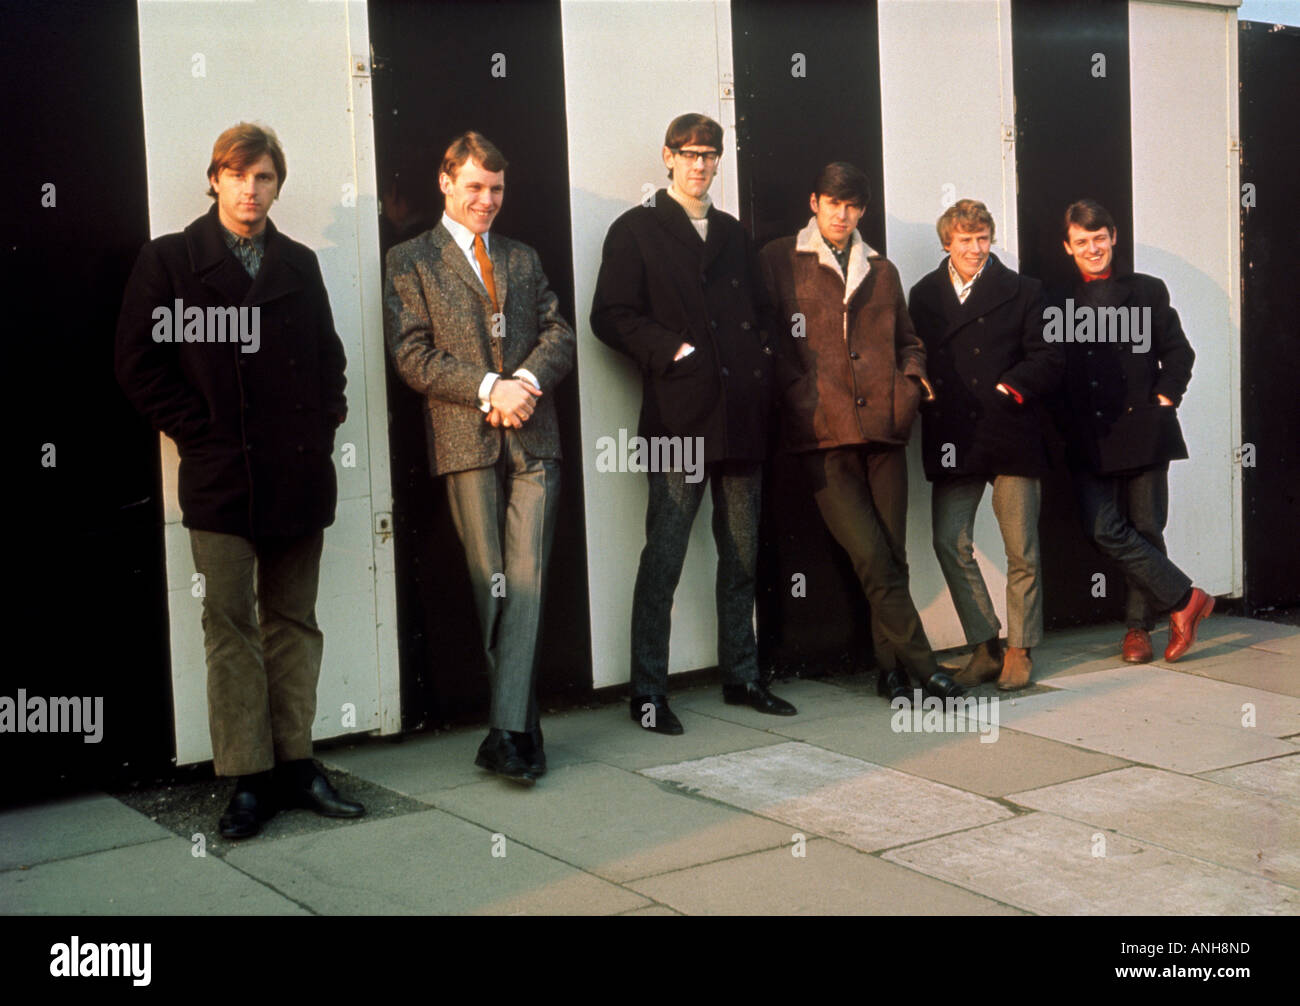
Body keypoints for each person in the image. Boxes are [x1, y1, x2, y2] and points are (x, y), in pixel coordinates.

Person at [115, 122, 363, 839]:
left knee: (293, 622)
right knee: (229, 627)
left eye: (264, 178)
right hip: (222, 480)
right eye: (238, 175)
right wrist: (202, 430)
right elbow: (137, 365)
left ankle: (298, 765)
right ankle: (247, 778)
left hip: (297, 476)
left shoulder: (299, 263)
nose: (251, 191)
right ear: (215, 179)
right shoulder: (170, 262)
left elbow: (329, 361)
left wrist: (320, 429)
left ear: (277, 184)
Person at [591, 113, 796, 734]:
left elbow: (762, 315)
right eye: (690, 154)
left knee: (740, 554)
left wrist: (760, 363)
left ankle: (743, 675)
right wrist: (672, 351)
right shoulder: (636, 229)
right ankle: (649, 692)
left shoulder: (734, 233)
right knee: (667, 554)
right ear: (668, 157)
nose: (701, 165)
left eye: (711, 155)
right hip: (680, 418)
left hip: (740, 417)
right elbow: (610, 314)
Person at [384, 131, 575, 784]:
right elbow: (411, 355)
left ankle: (510, 733)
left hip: (535, 440)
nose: (487, 200)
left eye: (496, 189)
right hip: (466, 442)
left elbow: (559, 331)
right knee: (494, 584)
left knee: (529, 582)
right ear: (445, 183)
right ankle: (521, 728)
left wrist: (524, 382)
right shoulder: (410, 261)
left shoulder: (522, 257)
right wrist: (489, 388)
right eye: (474, 188)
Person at [760, 162, 962, 702]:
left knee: (893, 553)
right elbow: (765, 335)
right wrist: (796, 386)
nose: (842, 215)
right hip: (821, 433)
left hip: (884, 429)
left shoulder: (883, 269)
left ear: (863, 211)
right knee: (871, 556)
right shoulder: (781, 260)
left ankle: (889, 669)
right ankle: (926, 667)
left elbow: (910, 341)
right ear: (814, 202)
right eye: (833, 203)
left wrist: (911, 382)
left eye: (852, 206)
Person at [908, 199, 1064, 690]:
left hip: (1011, 430)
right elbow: (913, 350)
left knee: (1022, 549)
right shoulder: (924, 294)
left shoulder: (1025, 291)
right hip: (955, 435)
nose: (975, 249)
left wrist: (1008, 388)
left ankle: (1020, 648)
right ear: (947, 244)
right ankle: (985, 647)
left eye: (982, 239)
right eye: (965, 241)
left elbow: (1050, 356)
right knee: (948, 540)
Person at [1053, 199, 1212, 663]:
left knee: (1146, 526)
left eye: (1100, 238)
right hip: (1091, 434)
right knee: (1104, 527)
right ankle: (1186, 601)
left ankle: (1138, 629)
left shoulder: (1147, 290)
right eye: (1082, 241)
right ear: (1068, 247)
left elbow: (1179, 353)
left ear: (1114, 237)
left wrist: (1164, 398)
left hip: (1144, 427)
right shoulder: (1056, 303)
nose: (1093, 248)